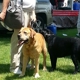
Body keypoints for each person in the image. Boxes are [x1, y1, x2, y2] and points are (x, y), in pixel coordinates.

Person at [0, 0, 36, 74]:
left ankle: (24, 63)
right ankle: (14, 67)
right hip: (21, 12)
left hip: (29, 13)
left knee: (26, 41)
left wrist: (33, 12)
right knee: (17, 41)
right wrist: (3, 11)